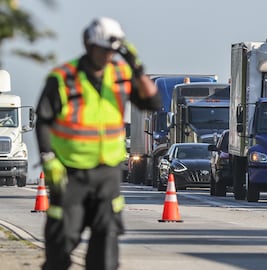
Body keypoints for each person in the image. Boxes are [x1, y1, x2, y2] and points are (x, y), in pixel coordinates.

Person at [35, 17, 161, 270]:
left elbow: (153, 102)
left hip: (107, 171)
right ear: (88, 45)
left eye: (112, 51)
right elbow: (44, 121)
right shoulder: (63, 77)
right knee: (61, 241)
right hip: (71, 171)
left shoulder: (121, 75)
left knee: (105, 246)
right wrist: (49, 159)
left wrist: (136, 68)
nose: (107, 56)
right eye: (103, 50)